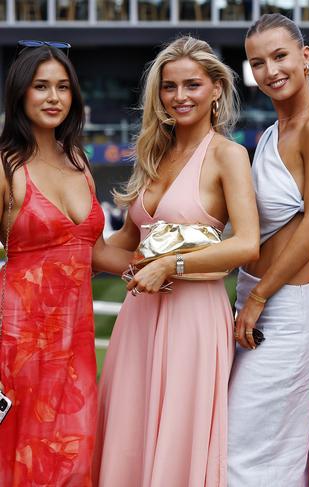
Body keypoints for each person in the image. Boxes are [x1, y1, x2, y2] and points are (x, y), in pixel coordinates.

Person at [92, 36, 259, 486]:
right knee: (128, 432)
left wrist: (172, 265)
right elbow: (123, 247)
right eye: (169, 87)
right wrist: (69, 237)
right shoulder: (152, 155)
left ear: (216, 89)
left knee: (179, 441)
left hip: (194, 319)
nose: (180, 96)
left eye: (192, 85)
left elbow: (247, 243)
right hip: (138, 319)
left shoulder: (230, 155)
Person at [228, 14, 309, 486]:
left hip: (282, 316)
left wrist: (258, 299)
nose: (271, 70)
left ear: (305, 56)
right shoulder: (273, 132)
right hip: (254, 300)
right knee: (246, 454)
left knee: (246, 457)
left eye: (280, 56)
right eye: (258, 62)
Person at [0, 42, 104, 485]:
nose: (53, 97)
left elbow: (94, 252)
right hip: (15, 344)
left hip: (74, 345)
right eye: (40, 86)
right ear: (20, 93)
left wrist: (165, 260)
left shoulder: (80, 163)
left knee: (75, 461)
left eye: (63, 87)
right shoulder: (5, 167)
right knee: (20, 463)